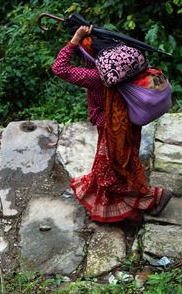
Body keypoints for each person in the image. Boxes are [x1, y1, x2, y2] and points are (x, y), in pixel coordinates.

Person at [52, 24, 172, 223]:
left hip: (113, 129)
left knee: (110, 174)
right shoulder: (127, 68)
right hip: (130, 124)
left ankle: (154, 197)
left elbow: (59, 68)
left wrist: (74, 40)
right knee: (121, 166)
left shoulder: (97, 77)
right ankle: (109, 200)